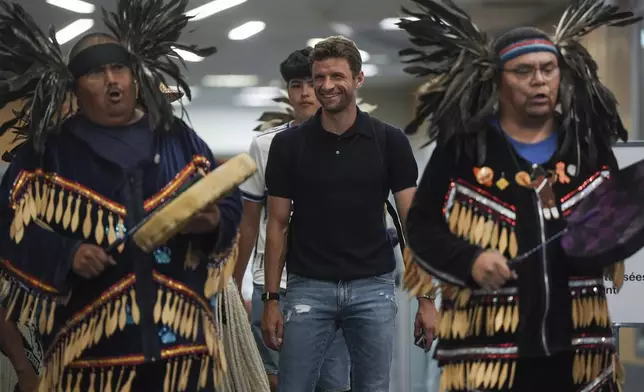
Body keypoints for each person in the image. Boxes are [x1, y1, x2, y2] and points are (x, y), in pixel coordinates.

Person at [0, 1, 244, 390]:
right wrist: (67, 254)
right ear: (74, 87)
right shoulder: (47, 155)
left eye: (120, 68)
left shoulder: (178, 139)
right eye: (96, 72)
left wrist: (213, 220)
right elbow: (7, 227)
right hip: (93, 355)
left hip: (181, 348)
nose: (112, 81)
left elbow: (228, 201)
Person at [398, 0, 639, 390]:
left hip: (579, 347)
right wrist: (471, 260)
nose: (539, 81)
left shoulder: (587, 146)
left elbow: (616, 225)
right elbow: (422, 227)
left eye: (548, 69)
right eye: (524, 71)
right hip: (490, 349)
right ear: (498, 80)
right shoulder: (464, 150)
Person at [262, 35, 435, 392]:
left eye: (337, 76)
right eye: (319, 77)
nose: (326, 86)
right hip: (307, 289)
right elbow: (277, 224)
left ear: (358, 79)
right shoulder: (289, 145)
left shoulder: (389, 141)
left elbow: (411, 225)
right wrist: (271, 299)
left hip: (373, 288)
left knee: (371, 388)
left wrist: (426, 299)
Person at [234, 47, 351, 392]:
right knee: (275, 382)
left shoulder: (356, 144)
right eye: (295, 85)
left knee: (333, 382)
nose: (304, 93)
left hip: (335, 284)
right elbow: (250, 222)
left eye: (309, 83)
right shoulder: (266, 145)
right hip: (274, 284)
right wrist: (233, 285)